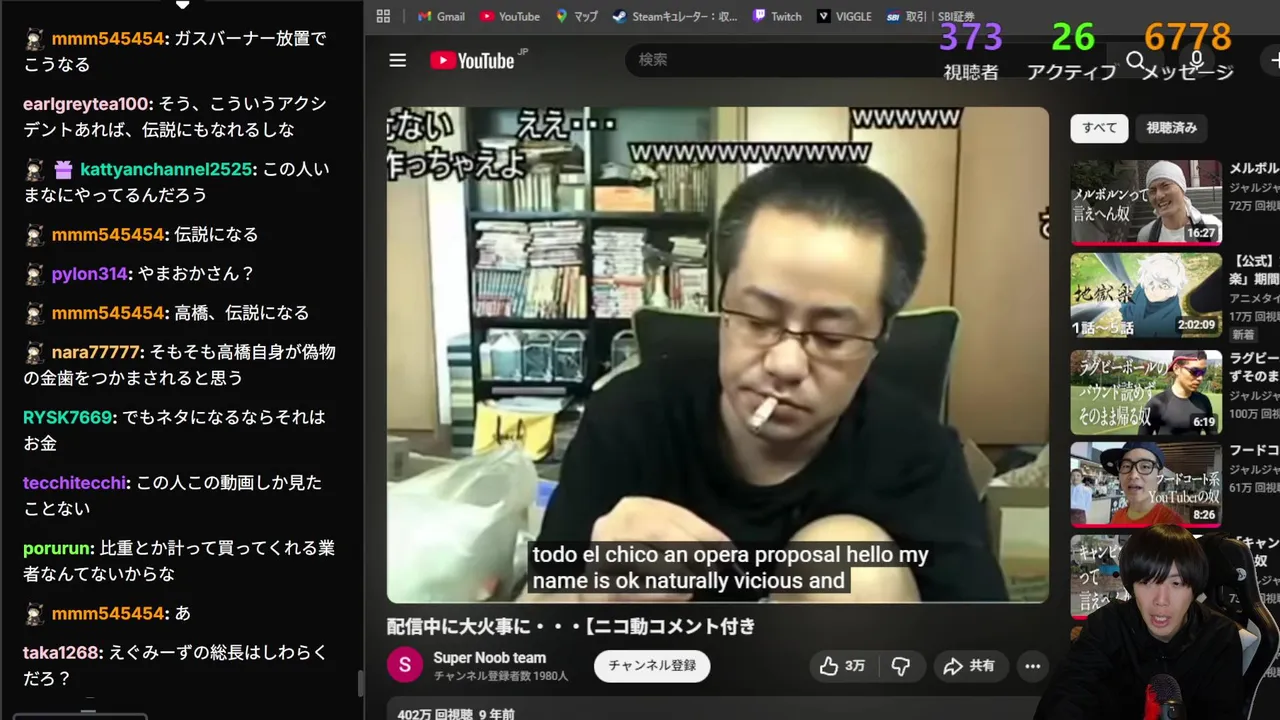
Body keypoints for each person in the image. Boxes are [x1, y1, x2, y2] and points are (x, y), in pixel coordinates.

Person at [529, 163, 1006, 603]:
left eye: (831, 337)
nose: (785, 363)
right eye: (757, 320)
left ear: (878, 342)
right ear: (721, 307)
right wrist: (592, 591)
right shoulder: (630, 417)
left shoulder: (918, 459)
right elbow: (535, 611)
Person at [1035, 524, 1244, 720]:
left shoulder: (1219, 637)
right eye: (1147, 582)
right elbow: (1067, 696)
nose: (1161, 600)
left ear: (1194, 589)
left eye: (1176, 583)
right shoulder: (1107, 625)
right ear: (1132, 586)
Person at [1100, 442, 1186, 526]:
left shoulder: (1172, 524)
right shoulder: (1117, 516)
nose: (1133, 475)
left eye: (1145, 466)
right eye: (1126, 466)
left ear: (1159, 476)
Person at [1136, 161, 1223, 243]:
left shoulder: (1211, 227)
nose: (1159, 196)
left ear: (1182, 188)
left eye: (1165, 186)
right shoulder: (1146, 236)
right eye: (1152, 190)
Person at [1139, 351, 1217, 436]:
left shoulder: (1204, 401)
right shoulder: (1156, 404)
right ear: (1176, 369)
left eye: (1203, 372)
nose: (1200, 378)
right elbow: (1141, 441)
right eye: (1195, 371)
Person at [1118, 254, 1186, 338]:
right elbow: (1128, 310)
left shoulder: (1171, 323)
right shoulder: (1142, 289)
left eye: (1164, 286)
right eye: (1150, 281)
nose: (1153, 289)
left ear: (1173, 290)